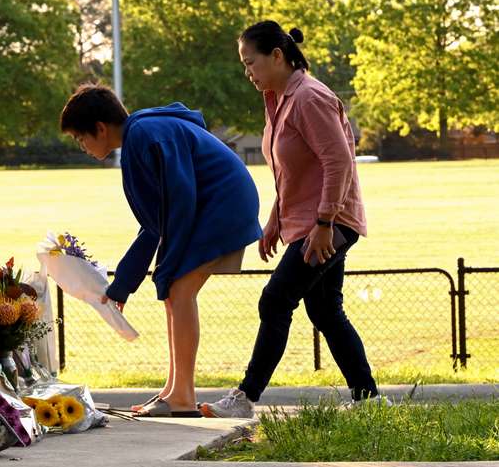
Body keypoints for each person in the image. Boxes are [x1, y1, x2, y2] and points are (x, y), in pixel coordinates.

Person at [200, 21, 383, 419]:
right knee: (325, 310)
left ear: (278, 57)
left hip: (329, 222)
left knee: (276, 298)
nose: (248, 73)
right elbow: (293, 171)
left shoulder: (309, 98)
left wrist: (324, 225)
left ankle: (245, 397)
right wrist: (275, 220)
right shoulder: (278, 99)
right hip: (307, 222)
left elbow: (338, 162)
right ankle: (369, 399)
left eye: (252, 63)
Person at [59, 84, 262, 417]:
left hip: (222, 205)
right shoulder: (141, 134)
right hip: (213, 205)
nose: (81, 147)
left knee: (179, 290)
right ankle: (174, 391)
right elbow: (155, 223)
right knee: (174, 290)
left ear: (99, 128)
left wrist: (164, 266)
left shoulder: (144, 135)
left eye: (81, 138)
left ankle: (182, 396)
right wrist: (125, 282)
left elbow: (179, 201)